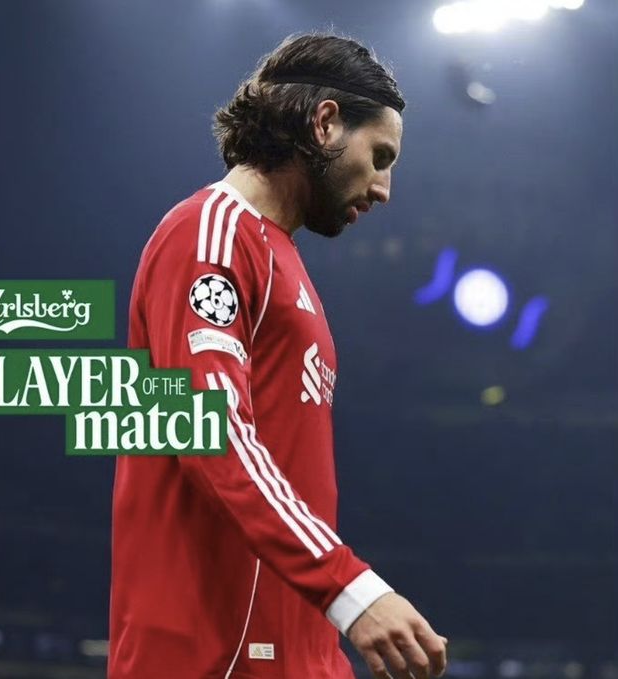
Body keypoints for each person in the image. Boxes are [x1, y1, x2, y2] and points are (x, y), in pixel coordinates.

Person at [108, 32, 448, 679]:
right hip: (214, 656)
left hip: (294, 651)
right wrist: (350, 589)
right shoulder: (209, 235)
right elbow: (212, 433)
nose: (384, 189)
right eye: (379, 156)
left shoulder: (280, 257)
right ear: (325, 123)